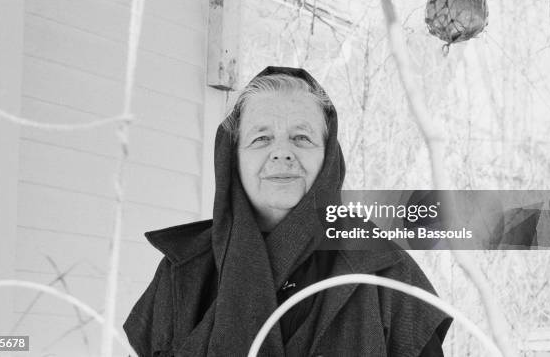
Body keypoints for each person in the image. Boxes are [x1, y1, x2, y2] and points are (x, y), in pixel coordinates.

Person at [123, 66, 451, 356]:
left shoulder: (385, 271)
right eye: (261, 138)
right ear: (232, 159)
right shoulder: (183, 273)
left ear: (329, 158)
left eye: (302, 138)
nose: (282, 152)